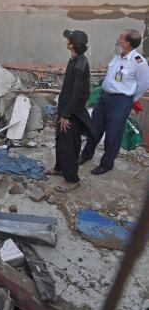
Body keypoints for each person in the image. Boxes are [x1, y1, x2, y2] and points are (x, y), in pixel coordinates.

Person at [79, 29, 149, 175]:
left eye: (120, 38)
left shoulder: (139, 62)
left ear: (127, 44)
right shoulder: (117, 55)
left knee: (113, 134)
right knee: (94, 129)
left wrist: (129, 99)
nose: (117, 39)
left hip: (121, 102)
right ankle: (86, 154)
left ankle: (106, 164)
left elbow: (143, 84)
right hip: (104, 98)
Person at [48, 31, 93, 192]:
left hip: (71, 113)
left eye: (69, 39)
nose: (66, 40)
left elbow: (78, 93)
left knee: (69, 145)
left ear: (72, 45)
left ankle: (72, 179)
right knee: (60, 140)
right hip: (65, 109)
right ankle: (60, 167)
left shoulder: (80, 65)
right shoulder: (75, 60)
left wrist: (66, 115)